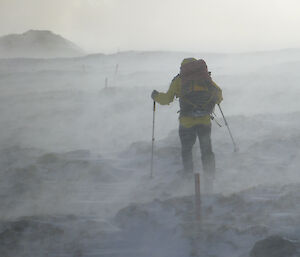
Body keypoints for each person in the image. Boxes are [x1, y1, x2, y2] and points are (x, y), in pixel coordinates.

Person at [151, 58, 222, 191]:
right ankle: (209, 179)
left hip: (186, 123)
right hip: (204, 121)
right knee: (206, 150)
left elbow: (167, 99)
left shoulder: (179, 80)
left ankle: (189, 178)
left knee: (187, 150)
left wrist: (155, 96)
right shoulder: (205, 78)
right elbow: (218, 95)